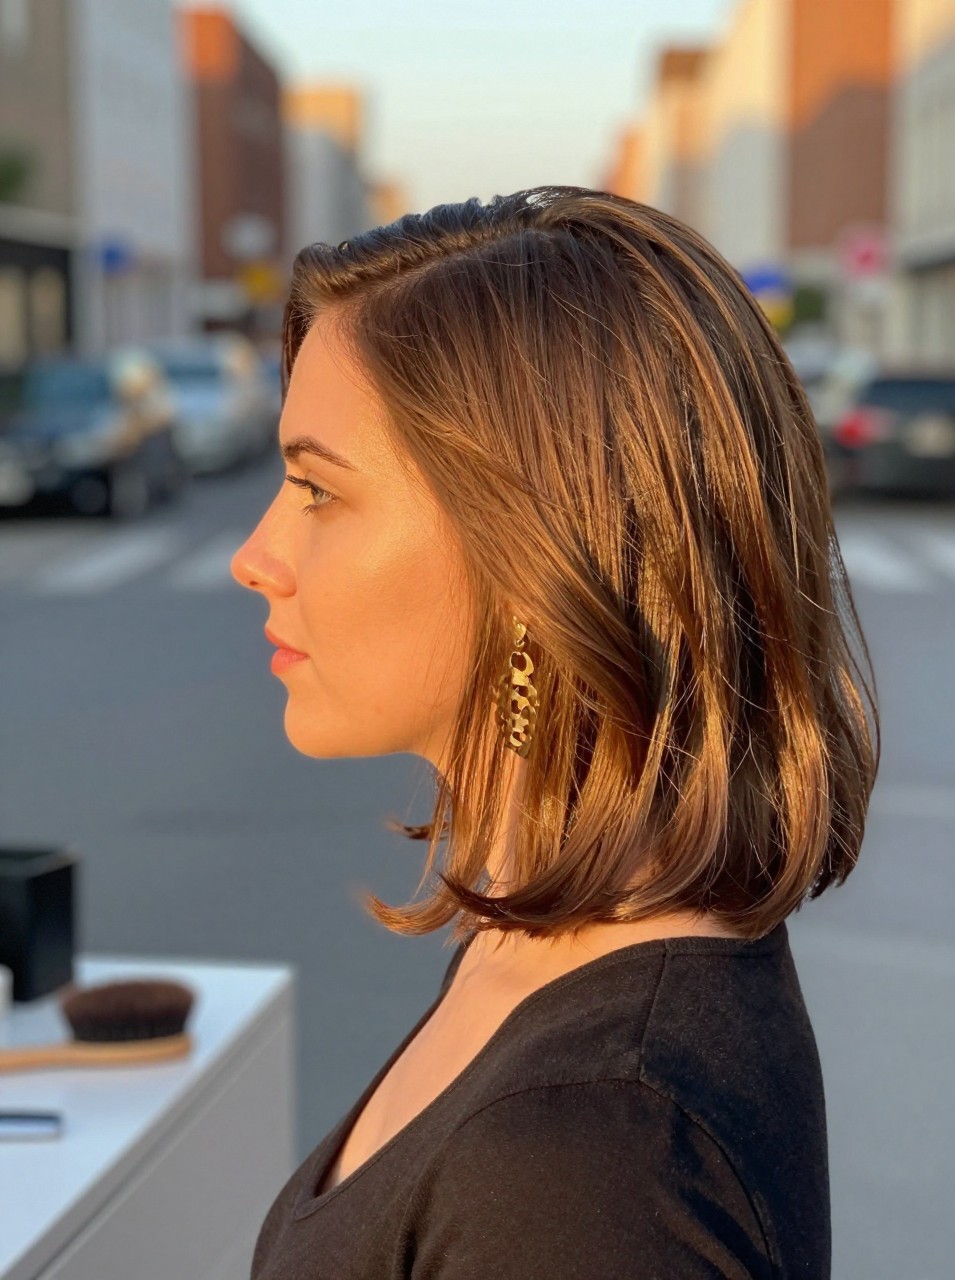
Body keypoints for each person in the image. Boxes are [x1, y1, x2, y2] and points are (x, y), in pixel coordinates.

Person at [230, 185, 879, 1279]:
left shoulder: (592, 1163)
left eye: (316, 489)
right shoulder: (543, 933)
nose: (256, 552)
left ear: (532, 554)